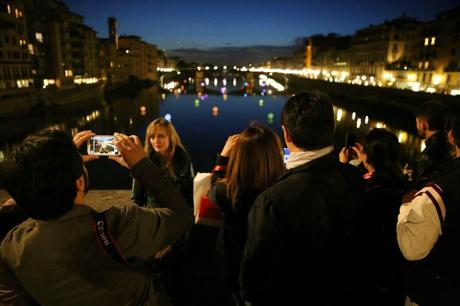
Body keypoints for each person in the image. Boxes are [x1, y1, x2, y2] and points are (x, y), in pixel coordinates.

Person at [0, 128, 194, 306]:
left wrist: (54, 172)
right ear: (79, 182)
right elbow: (182, 217)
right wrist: (141, 166)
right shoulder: (118, 225)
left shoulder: (12, 245)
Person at [239, 91, 368, 306]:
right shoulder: (354, 176)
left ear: (286, 135)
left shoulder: (273, 200)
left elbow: (253, 280)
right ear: (331, 129)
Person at [208, 123, 285, 306]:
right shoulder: (282, 191)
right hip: (273, 270)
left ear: (239, 157)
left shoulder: (226, 192)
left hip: (234, 266)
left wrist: (222, 158)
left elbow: (212, 187)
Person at [397, 112, 460, 306]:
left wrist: (406, 207)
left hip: (437, 292)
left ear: (451, 137)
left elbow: (411, 250)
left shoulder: (438, 192)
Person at [340, 128, 408, 306]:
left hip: (366, 273)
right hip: (394, 270)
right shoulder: (405, 185)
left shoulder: (366, 191)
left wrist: (345, 168)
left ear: (368, 158)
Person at [132, 118, 194, 208]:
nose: (156, 141)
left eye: (161, 136)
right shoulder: (144, 161)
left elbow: (190, 192)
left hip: (178, 212)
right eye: (152, 137)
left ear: (170, 137)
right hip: (154, 214)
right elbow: (137, 197)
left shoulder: (182, 158)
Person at [412, 100, 453, 188]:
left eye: (417, 123)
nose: (416, 126)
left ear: (423, 125)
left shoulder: (426, 158)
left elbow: (420, 191)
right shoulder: (453, 147)